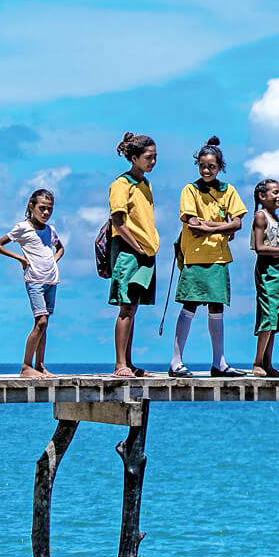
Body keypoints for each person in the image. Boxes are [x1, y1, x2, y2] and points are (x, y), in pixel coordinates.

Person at [169, 136, 248, 377]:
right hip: (193, 257)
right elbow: (192, 222)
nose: (206, 170)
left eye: (211, 166)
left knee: (217, 308)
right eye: (202, 165)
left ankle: (219, 363)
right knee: (189, 306)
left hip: (218, 257)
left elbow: (238, 223)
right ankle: (175, 362)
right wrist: (221, 226)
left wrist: (209, 227)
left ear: (220, 167)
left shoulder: (229, 190)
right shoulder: (190, 189)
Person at [0, 188, 64, 378]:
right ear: (32, 206)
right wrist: (20, 259)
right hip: (35, 280)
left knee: (44, 324)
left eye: (49, 209)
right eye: (42, 208)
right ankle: (25, 366)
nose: (46, 213)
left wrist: (52, 261)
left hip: (51, 280)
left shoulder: (50, 229)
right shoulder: (23, 228)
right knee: (41, 321)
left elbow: (60, 248)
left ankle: (39, 365)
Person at [108, 132, 160, 377]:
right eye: (148, 157)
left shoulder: (145, 184)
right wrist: (137, 247)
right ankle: (120, 365)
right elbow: (117, 221)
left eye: (155, 157)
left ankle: (128, 362)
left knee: (134, 308)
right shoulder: (122, 184)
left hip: (144, 252)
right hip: (128, 252)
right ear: (134, 157)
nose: (153, 162)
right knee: (125, 308)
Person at [249, 178, 279, 377]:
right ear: (262, 196)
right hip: (268, 271)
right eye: (274, 192)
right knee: (267, 317)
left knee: (276, 317)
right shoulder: (261, 216)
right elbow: (259, 248)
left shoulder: (278, 218)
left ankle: (268, 363)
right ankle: (257, 362)